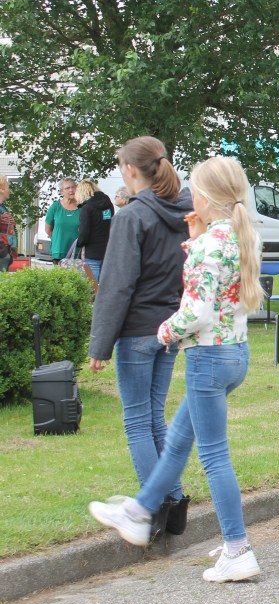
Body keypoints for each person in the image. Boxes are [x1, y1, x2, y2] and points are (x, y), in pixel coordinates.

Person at [89, 155, 265, 583]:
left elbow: (196, 312)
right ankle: (137, 511)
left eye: (196, 190)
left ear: (204, 196)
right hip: (234, 354)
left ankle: (239, 549)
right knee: (178, 445)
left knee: (214, 457)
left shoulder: (209, 245)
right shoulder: (241, 236)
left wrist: (162, 333)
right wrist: (195, 238)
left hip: (207, 358)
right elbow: (222, 293)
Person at [88, 136, 193, 537]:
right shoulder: (184, 211)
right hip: (169, 326)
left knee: (137, 419)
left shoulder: (132, 217)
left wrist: (99, 345)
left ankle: (152, 507)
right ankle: (174, 501)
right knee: (154, 417)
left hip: (137, 330)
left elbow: (116, 286)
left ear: (130, 169)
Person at [75, 180, 114, 282]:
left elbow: (84, 233)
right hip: (108, 250)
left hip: (92, 252)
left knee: (92, 287)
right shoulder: (108, 205)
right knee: (104, 287)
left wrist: (79, 243)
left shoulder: (86, 208)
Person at [45, 177, 80, 263]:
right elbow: (48, 229)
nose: (71, 190)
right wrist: (57, 240)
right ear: (61, 192)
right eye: (67, 188)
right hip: (59, 251)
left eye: (73, 187)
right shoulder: (55, 207)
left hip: (77, 252)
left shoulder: (82, 207)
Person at [0, 176, 15, 272]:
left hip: (4, 253)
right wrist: (2, 249)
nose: (9, 191)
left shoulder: (2, 207)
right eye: (7, 188)